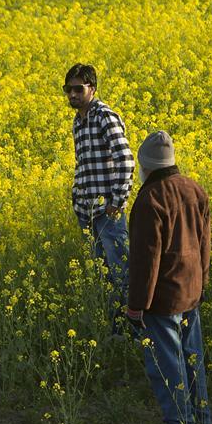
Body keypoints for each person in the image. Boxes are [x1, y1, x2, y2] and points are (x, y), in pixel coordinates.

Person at [125, 131, 212, 424]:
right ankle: (202, 420)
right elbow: (205, 244)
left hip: (162, 297)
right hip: (191, 290)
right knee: (192, 357)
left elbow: (145, 260)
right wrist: (202, 283)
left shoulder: (151, 199)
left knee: (167, 363)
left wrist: (137, 305)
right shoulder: (194, 189)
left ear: (145, 166)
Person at [65, 63, 134, 333]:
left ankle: (132, 331)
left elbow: (126, 159)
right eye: (68, 89)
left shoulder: (104, 116)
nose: (72, 94)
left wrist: (117, 202)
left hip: (108, 214)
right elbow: (83, 165)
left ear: (92, 88)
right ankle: (114, 331)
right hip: (87, 213)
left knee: (121, 273)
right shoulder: (78, 122)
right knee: (103, 276)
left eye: (78, 89)